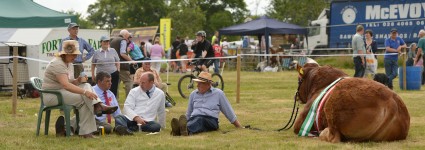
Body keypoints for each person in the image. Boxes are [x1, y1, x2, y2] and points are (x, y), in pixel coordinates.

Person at [43, 40, 117, 138]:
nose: (75, 57)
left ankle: (98, 106)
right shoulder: (57, 64)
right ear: (65, 54)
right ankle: (87, 130)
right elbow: (66, 85)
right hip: (52, 95)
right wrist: (85, 92)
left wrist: (78, 80)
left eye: (76, 54)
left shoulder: (68, 63)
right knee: (84, 98)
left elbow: (69, 82)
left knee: (86, 85)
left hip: (61, 92)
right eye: (73, 54)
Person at [170, 72, 242, 136]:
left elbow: (228, 111)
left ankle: (181, 130)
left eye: (200, 83)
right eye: (197, 83)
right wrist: (186, 120)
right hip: (194, 118)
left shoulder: (218, 94)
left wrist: (239, 126)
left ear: (208, 84)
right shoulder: (193, 94)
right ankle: (183, 130)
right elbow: (189, 113)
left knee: (200, 120)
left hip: (211, 120)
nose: (197, 85)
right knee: (195, 120)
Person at [92, 72, 133, 136]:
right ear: (100, 82)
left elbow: (117, 113)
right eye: (107, 81)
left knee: (121, 119)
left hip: (103, 122)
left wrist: (121, 120)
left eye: (110, 81)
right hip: (92, 119)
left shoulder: (110, 94)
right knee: (107, 128)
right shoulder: (91, 91)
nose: (110, 83)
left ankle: (121, 129)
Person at [110, 29, 134, 97]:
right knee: (129, 82)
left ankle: (115, 100)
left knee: (116, 84)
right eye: (128, 36)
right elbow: (123, 53)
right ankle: (130, 99)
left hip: (113, 66)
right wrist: (131, 61)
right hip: (122, 66)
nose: (129, 37)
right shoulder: (123, 40)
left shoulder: (113, 40)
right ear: (125, 35)